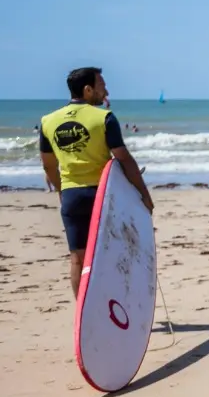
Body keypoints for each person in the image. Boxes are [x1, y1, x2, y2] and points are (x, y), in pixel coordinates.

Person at [38, 67, 154, 297]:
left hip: (72, 197)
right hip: (104, 196)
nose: (106, 91)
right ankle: (116, 308)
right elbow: (123, 159)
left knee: (78, 259)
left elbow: (48, 166)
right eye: (102, 86)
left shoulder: (47, 121)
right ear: (88, 90)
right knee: (114, 254)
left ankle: (83, 313)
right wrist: (143, 193)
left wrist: (62, 190)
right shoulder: (104, 118)